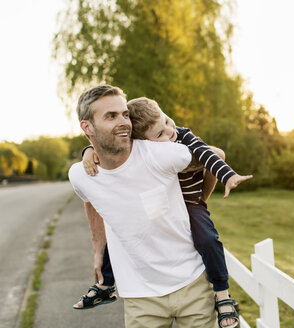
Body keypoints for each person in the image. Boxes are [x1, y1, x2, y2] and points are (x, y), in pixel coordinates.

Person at [68, 85, 250, 328]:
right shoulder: (81, 174)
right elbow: (90, 199)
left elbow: (214, 154)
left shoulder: (161, 153)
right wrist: (97, 249)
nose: (123, 122)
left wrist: (201, 198)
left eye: (124, 114)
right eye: (111, 116)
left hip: (192, 284)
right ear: (87, 127)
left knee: (208, 238)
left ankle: (222, 294)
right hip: (139, 296)